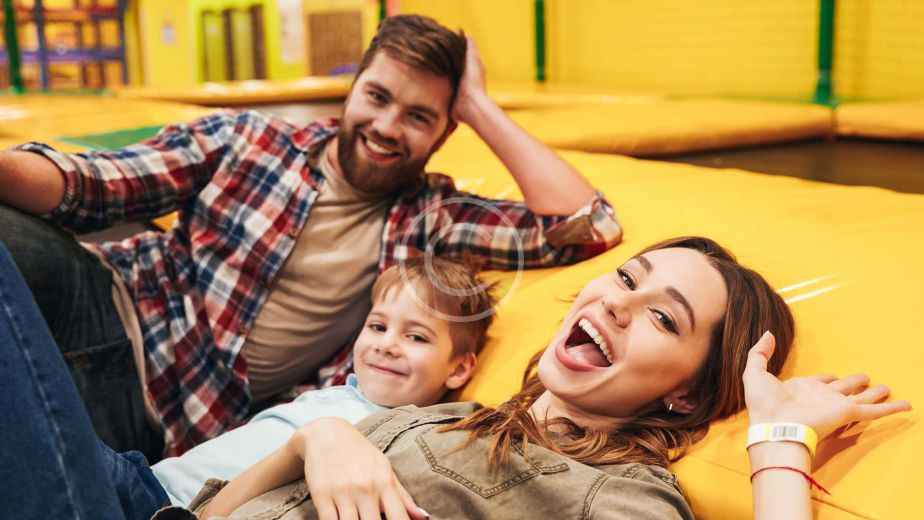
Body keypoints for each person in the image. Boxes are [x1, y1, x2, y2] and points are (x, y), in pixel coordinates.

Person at [0, 15, 622, 459]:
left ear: (444, 132)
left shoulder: (432, 216)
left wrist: (480, 107)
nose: (387, 126)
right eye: (377, 97)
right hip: (101, 302)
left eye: (418, 116)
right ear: (351, 91)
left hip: (156, 414)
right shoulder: (249, 141)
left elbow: (587, 226)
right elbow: (89, 183)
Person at [173, 236, 909, 520]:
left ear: (685, 391)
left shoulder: (612, 494)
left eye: (662, 318)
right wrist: (317, 440)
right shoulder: (450, 416)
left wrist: (779, 437)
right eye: (626, 278)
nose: (617, 301)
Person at [0, 244, 497, 519]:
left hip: (153, 506)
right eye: (378, 326)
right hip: (141, 478)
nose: (387, 344)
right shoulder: (336, 394)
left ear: (459, 369)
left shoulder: (399, 434)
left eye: (416, 337)